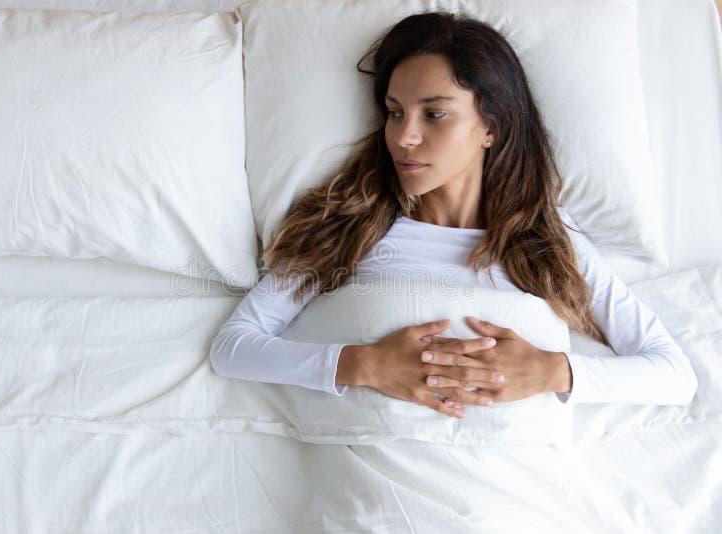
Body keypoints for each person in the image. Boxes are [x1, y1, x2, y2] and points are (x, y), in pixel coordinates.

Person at [209, 12, 698, 419]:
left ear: (491, 125)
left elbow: (673, 374)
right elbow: (233, 347)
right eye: (395, 112)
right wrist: (364, 365)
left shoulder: (545, 239)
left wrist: (552, 371)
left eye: (434, 114)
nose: (403, 137)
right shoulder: (350, 227)